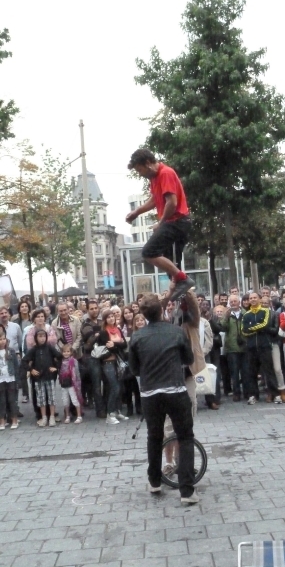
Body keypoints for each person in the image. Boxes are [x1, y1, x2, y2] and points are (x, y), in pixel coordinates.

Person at [129, 293, 198, 503]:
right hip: (175, 390)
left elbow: (134, 368)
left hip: (150, 393)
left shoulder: (137, 337)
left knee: (154, 437)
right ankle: (186, 491)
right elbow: (188, 358)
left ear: (144, 314)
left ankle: (154, 481)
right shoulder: (176, 332)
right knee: (185, 437)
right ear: (161, 310)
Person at [126, 149, 194, 302]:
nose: (140, 173)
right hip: (174, 222)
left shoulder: (165, 173)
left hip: (177, 221)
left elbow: (172, 202)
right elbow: (155, 200)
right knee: (170, 264)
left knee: (149, 252)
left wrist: (161, 223)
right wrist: (137, 212)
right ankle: (181, 290)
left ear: (148, 163)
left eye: (139, 169)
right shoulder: (154, 178)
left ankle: (183, 280)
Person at [242, 292, 281, 405]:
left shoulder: (266, 311)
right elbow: (244, 331)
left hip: (264, 346)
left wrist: (251, 328)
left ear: (259, 299)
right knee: (251, 372)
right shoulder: (246, 315)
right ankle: (253, 395)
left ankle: (275, 394)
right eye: (251, 298)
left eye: (255, 298)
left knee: (269, 371)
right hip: (251, 347)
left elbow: (265, 324)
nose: (253, 300)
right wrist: (256, 329)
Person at [21, 330, 62, 427]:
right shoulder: (34, 350)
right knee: (41, 398)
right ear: (36, 338)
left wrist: (56, 367)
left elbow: (60, 357)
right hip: (38, 378)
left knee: (51, 397)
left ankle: (52, 416)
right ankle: (44, 417)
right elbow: (24, 361)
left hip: (50, 377)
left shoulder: (50, 348)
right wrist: (31, 370)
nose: (42, 338)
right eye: (40, 336)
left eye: (44, 336)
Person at [97, 309, 128, 424]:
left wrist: (115, 344)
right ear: (105, 320)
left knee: (119, 386)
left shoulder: (118, 330)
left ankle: (117, 411)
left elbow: (124, 344)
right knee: (114, 387)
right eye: (108, 317)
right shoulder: (103, 332)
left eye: (112, 316)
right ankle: (110, 414)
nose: (111, 318)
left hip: (118, 361)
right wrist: (117, 345)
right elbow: (107, 348)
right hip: (108, 362)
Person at [220, 295, 249, 401]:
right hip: (232, 348)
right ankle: (236, 393)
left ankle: (247, 392)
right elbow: (222, 327)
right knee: (234, 372)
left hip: (244, 346)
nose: (233, 303)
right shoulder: (227, 314)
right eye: (231, 301)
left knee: (246, 371)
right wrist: (226, 317)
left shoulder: (245, 313)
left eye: (235, 301)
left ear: (239, 302)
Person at [81, 300, 106, 418]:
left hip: (105, 355)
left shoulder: (102, 321)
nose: (94, 310)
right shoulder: (85, 324)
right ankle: (100, 410)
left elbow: (105, 335)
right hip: (91, 357)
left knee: (108, 382)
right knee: (96, 385)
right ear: (87, 310)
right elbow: (89, 340)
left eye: (96, 308)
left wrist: (98, 334)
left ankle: (108, 407)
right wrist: (99, 334)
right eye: (91, 308)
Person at [0, 326, 19, 430]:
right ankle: (2, 421)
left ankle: (14, 419)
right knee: (1, 400)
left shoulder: (10, 351)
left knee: (12, 399)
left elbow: (16, 365)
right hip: (1, 379)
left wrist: (18, 378)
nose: (2, 341)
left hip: (10, 377)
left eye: (3, 339)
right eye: (0, 339)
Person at [59, 344, 83, 424]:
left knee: (74, 399)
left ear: (71, 352)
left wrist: (78, 382)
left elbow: (77, 373)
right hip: (64, 383)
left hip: (72, 383)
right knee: (65, 401)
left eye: (68, 351)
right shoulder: (61, 361)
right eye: (64, 352)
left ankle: (79, 416)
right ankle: (67, 416)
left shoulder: (73, 361)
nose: (66, 353)